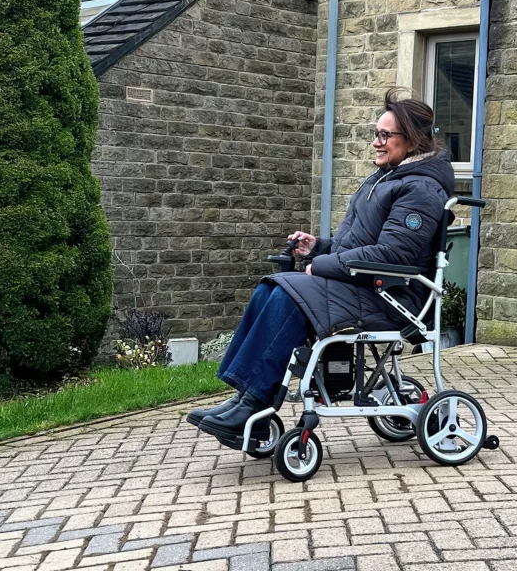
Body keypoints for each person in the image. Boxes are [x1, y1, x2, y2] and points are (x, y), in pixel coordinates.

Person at [187, 87, 455, 442]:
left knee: (288, 294)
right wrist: (318, 248)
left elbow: (393, 256)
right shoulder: (385, 179)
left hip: (393, 298)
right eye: (376, 134)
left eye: (385, 135)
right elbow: (355, 246)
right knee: (272, 286)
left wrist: (323, 266)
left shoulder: (420, 189)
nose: (376, 142)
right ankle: (244, 397)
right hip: (363, 285)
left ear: (414, 140)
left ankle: (252, 405)